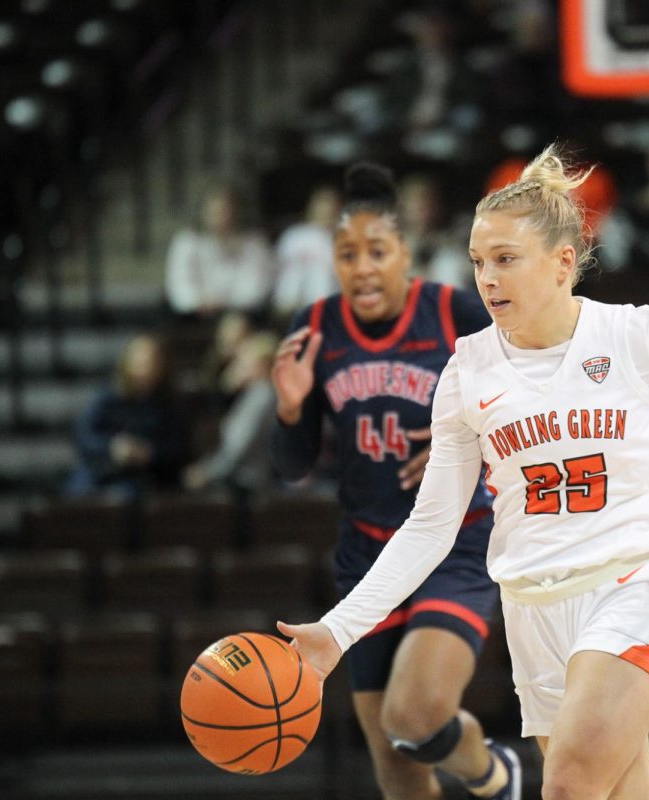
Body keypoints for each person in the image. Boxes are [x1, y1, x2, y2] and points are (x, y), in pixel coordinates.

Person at [279, 144, 649, 800]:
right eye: (479, 262)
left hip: (627, 589)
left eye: (505, 259)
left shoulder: (634, 338)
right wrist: (336, 633)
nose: (488, 278)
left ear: (564, 263)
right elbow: (431, 527)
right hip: (531, 609)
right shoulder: (466, 372)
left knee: (566, 789)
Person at [270, 162, 519, 800]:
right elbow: (293, 468)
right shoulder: (316, 328)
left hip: (456, 545)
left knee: (411, 716)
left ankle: (496, 774)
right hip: (366, 550)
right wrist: (292, 410)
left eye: (377, 251)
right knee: (395, 765)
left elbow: (527, 390)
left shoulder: (454, 311)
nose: (362, 267)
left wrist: (465, 425)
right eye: (347, 254)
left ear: (405, 252)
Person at [65, 334, 187, 500]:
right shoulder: (107, 398)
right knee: (78, 494)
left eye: (151, 363)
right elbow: (84, 436)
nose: (145, 369)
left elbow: (178, 446)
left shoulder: (168, 404)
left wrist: (150, 453)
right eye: (140, 363)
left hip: (148, 476)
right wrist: (112, 447)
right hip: (103, 470)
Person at [182, 332, 279, 493]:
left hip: (246, 482)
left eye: (243, 361)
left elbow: (237, 450)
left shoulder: (262, 395)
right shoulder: (255, 393)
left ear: (261, 365)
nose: (237, 366)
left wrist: (205, 472)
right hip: (239, 477)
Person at [164, 183, 276, 320]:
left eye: (227, 211)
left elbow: (257, 288)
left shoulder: (255, 244)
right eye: (216, 212)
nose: (222, 218)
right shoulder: (187, 242)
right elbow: (179, 285)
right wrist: (198, 301)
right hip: (193, 315)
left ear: (238, 212)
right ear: (204, 212)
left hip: (243, 315)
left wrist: (224, 303)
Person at [272, 184, 341, 321]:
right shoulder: (293, 236)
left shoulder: (344, 241)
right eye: (322, 204)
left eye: (332, 206)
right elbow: (278, 274)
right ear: (312, 207)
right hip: (288, 310)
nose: (327, 210)